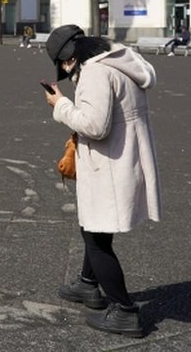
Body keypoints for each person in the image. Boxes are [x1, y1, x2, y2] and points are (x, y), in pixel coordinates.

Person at [43, 24, 161, 338]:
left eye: (66, 64)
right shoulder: (122, 62)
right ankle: (87, 284)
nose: (68, 70)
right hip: (125, 159)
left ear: (70, 57)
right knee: (96, 228)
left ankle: (125, 310)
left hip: (109, 165)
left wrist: (61, 105)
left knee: (95, 238)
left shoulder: (95, 73)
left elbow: (95, 125)